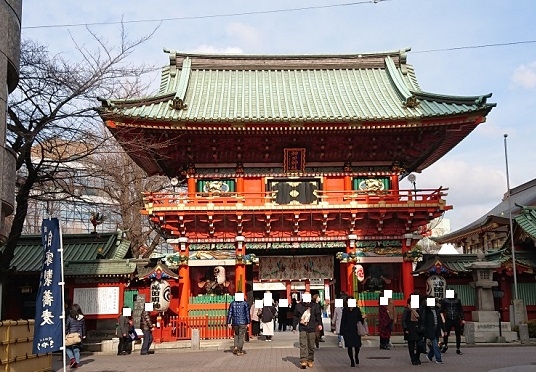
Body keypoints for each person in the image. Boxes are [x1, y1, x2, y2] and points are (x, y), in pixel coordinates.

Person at [292, 292, 322, 369]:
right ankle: (303, 360)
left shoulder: (315, 306)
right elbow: (295, 316)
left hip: (312, 328)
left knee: (311, 345)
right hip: (302, 328)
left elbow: (318, 315)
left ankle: (310, 360)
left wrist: (320, 324)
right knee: (303, 344)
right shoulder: (298, 306)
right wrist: (294, 326)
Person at [340, 296, 364, 367]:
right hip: (347, 330)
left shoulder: (357, 309)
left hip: (356, 330)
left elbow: (360, 319)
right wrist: (341, 332)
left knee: (357, 346)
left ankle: (356, 355)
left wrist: (363, 318)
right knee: (349, 346)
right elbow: (343, 321)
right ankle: (352, 361)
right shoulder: (345, 310)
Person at [421, 297, 445, 364]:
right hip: (430, 329)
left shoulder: (437, 310)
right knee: (435, 344)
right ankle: (438, 359)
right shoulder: (426, 310)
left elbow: (440, 320)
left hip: (436, 329)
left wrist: (444, 329)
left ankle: (429, 356)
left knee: (435, 345)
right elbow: (423, 320)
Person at [227, 292, 251, 356]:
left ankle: (235, 347)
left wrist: (228, 322)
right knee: (241, 336)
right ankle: (239, 350)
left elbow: (229, 313)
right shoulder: (245, 303)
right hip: (243, 322)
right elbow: (247, 314)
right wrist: (248, 322)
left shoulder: (232, 303)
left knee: (236, 334)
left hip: (235, 322)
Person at [441, 291, 464, 355]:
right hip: (448, 318)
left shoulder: (457, 300)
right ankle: (445, 346)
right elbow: (442, 309)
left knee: (458, 334)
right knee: (446, 333)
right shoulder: (445, 300)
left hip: (456, 318)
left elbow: (460, 310)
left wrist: (462, 319)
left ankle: (458, 348)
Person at [403, 297, 424, 365]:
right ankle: (413, 359)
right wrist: (405, 329)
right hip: (410, 329)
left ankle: (417, 357)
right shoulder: (407, 310)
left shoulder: (418, 310)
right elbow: (404, 320)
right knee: (411, 346)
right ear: (409, 303)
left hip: (418, 330)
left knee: (420, 345)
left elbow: (421, 319)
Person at [65, 304, 86, 369]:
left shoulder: (70, 317)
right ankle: (76, 362)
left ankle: (72, 359)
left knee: (67, 348)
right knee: (76, 350)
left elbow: (67, 325)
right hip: (79, 336)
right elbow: (83, 327)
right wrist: (84, 335)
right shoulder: (82, 318)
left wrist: (65, 332)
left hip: (71, 336)